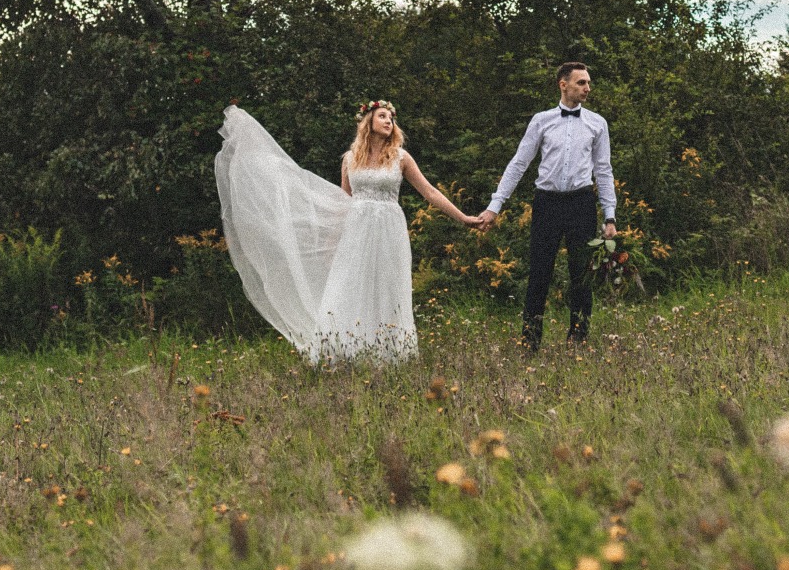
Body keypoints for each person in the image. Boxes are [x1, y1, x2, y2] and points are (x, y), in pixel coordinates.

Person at [215, 100, 479, 364]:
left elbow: (429, 192)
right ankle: (345, 352)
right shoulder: (350, 159)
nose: (389, 121)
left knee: (387, 284)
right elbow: (343, 201)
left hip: (389, 229)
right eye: (383, 116)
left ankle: (389, 356)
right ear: (368, 122)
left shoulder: (401, 157)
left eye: (392, 118)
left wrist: (463, 217)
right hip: (357, 230)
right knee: (351, 285)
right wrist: (332, 243)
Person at [477, 62, 617, 351]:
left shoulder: (597, 123)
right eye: (581, 83)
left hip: (581, 203)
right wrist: (495, 205)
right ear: (563, 84)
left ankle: (578, 339)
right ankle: (530, 340)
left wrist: (610, 215)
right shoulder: (541, 121)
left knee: (582, 273)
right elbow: (519, 164)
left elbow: (604, 170)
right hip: (547, 203)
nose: (587, 88)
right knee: (540, 272)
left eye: (588, 83)